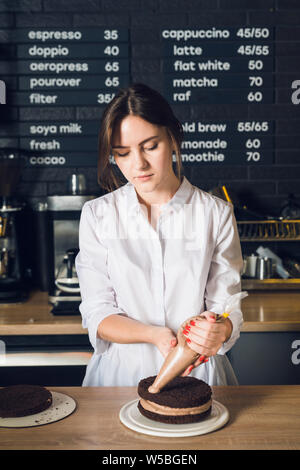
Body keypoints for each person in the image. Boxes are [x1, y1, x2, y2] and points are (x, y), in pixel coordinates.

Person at [75, 83, 244, 387]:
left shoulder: (215, 214)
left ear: (173, 136)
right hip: (118, 379)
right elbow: (97, 312)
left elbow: (227, 305)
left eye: (150, 146)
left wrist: (223, 329)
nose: (138, 164)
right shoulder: (98, 215)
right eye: (122, 153)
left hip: (197, 377)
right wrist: (154, 335)